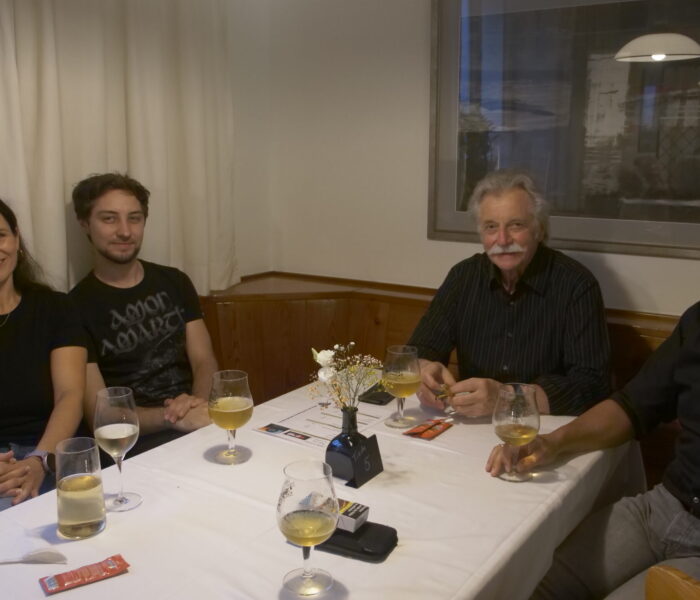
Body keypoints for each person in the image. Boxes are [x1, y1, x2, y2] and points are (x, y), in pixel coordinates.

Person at [485, 300, 700, 599]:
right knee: (526, 585)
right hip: (662, 508)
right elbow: (633, 406)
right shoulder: (697, 321)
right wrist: (552, 442)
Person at [409, 169, 610, 417]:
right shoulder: (463, 277)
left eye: (516, 225)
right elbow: (419, 350)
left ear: (539, 229)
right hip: (470, 425)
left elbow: (592, 385)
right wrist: (424, 370)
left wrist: (509, 398)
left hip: (542, 429)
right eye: (491, 227)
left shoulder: (576, 285)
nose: (502, 240)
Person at [69, 173, 218, 454]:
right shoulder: (73, 308)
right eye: (109, 219)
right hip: (133, 445)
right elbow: (101, 415)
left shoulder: (175, 281)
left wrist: (198, 406)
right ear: (85, 223)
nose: (125, 231)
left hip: (200, 424)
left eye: (134, 218)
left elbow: (204, 360)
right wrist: (175, 418)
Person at [0, 199, 87, 510]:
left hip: (53, 452)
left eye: (0, 236)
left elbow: (70, 395)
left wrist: (40, 460)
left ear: (16, 239)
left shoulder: (55, 308)